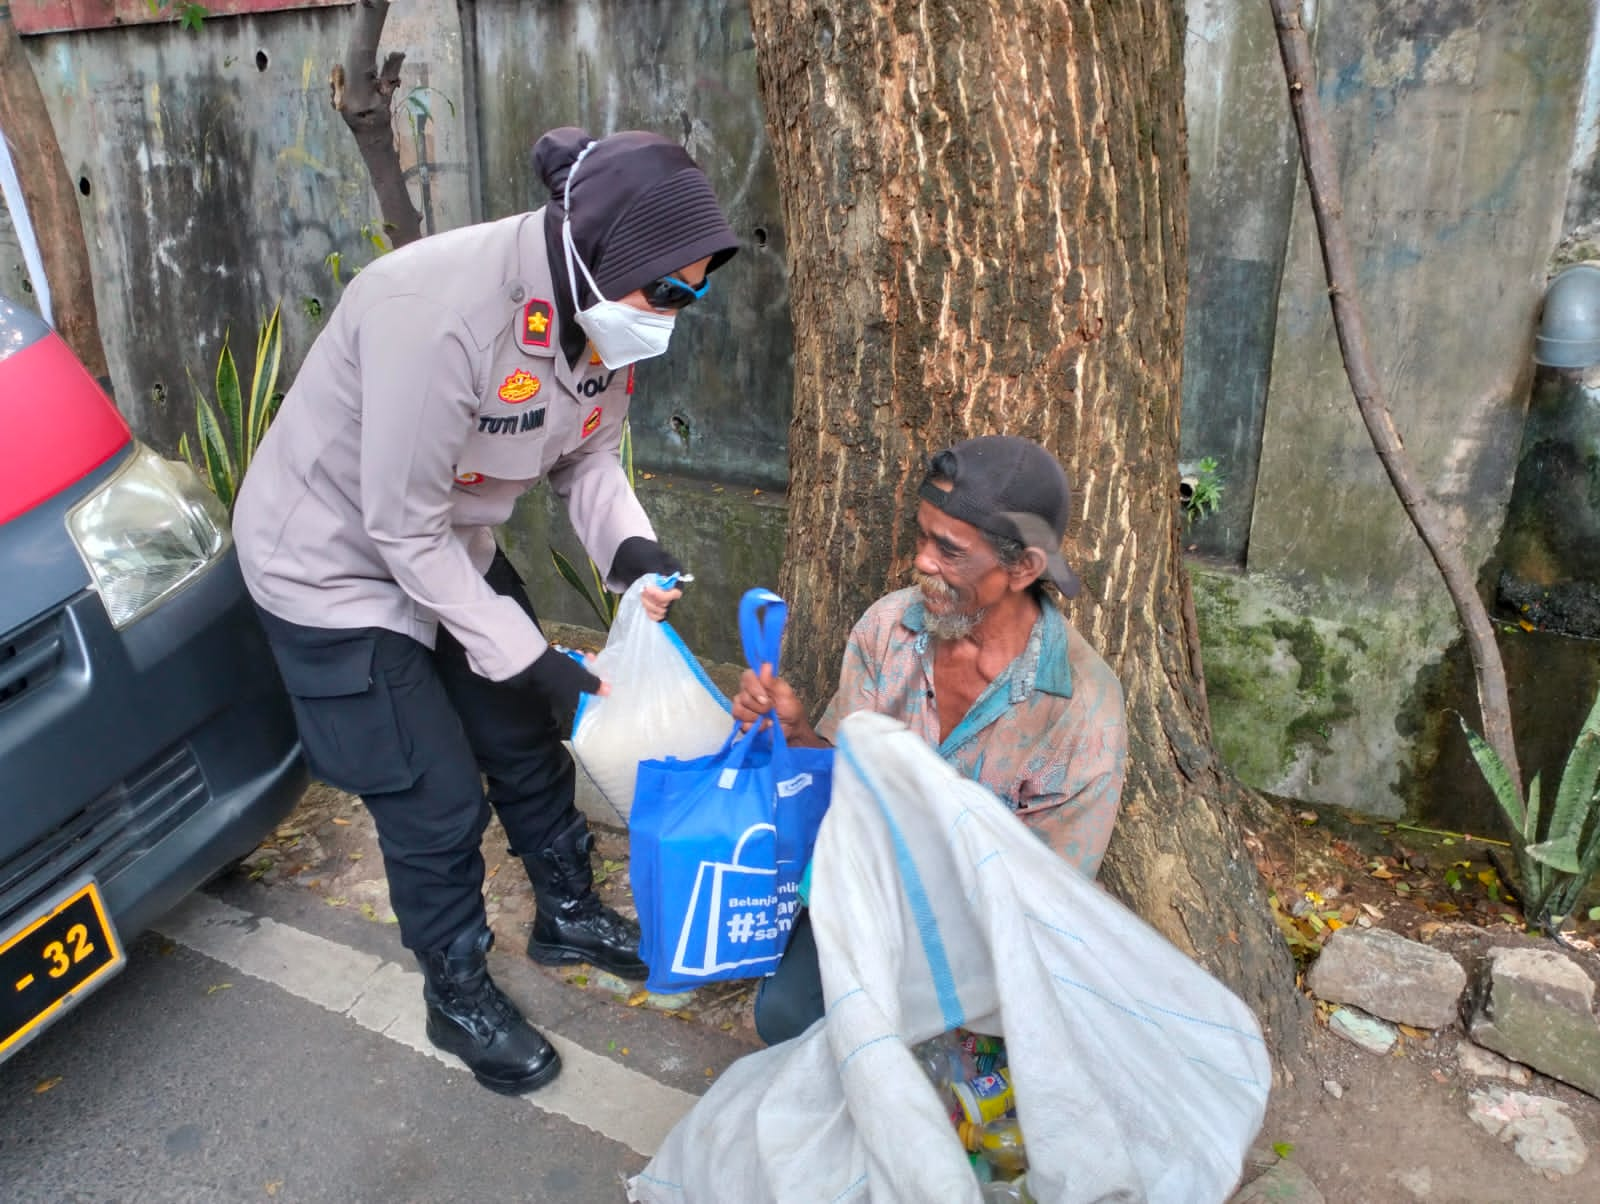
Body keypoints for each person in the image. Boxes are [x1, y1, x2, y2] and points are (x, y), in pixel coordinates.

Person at [232, 127, 740, 1095]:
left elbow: (585, 458)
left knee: (520, 729)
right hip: (331, 563)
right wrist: (529, 651)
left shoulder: (602, 308)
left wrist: (629, 552)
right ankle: (455, 987)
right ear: (599, 256)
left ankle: (567, 915)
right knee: (431, 790)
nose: (676, 314)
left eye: (693, 293)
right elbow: (397, 528)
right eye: (667, 292)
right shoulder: (438, 319)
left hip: (441, 537)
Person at [732, 434, 1129, 1044]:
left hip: (984, 938)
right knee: (784, 1020)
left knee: (963, 1076)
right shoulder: (889, 628)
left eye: (950, 550)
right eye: (922, 536)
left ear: (1023, 568)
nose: (921, 562)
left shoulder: (1081, 709)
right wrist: (797, 735)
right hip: (866, 894)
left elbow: (1048, 897)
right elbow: (843, 776)